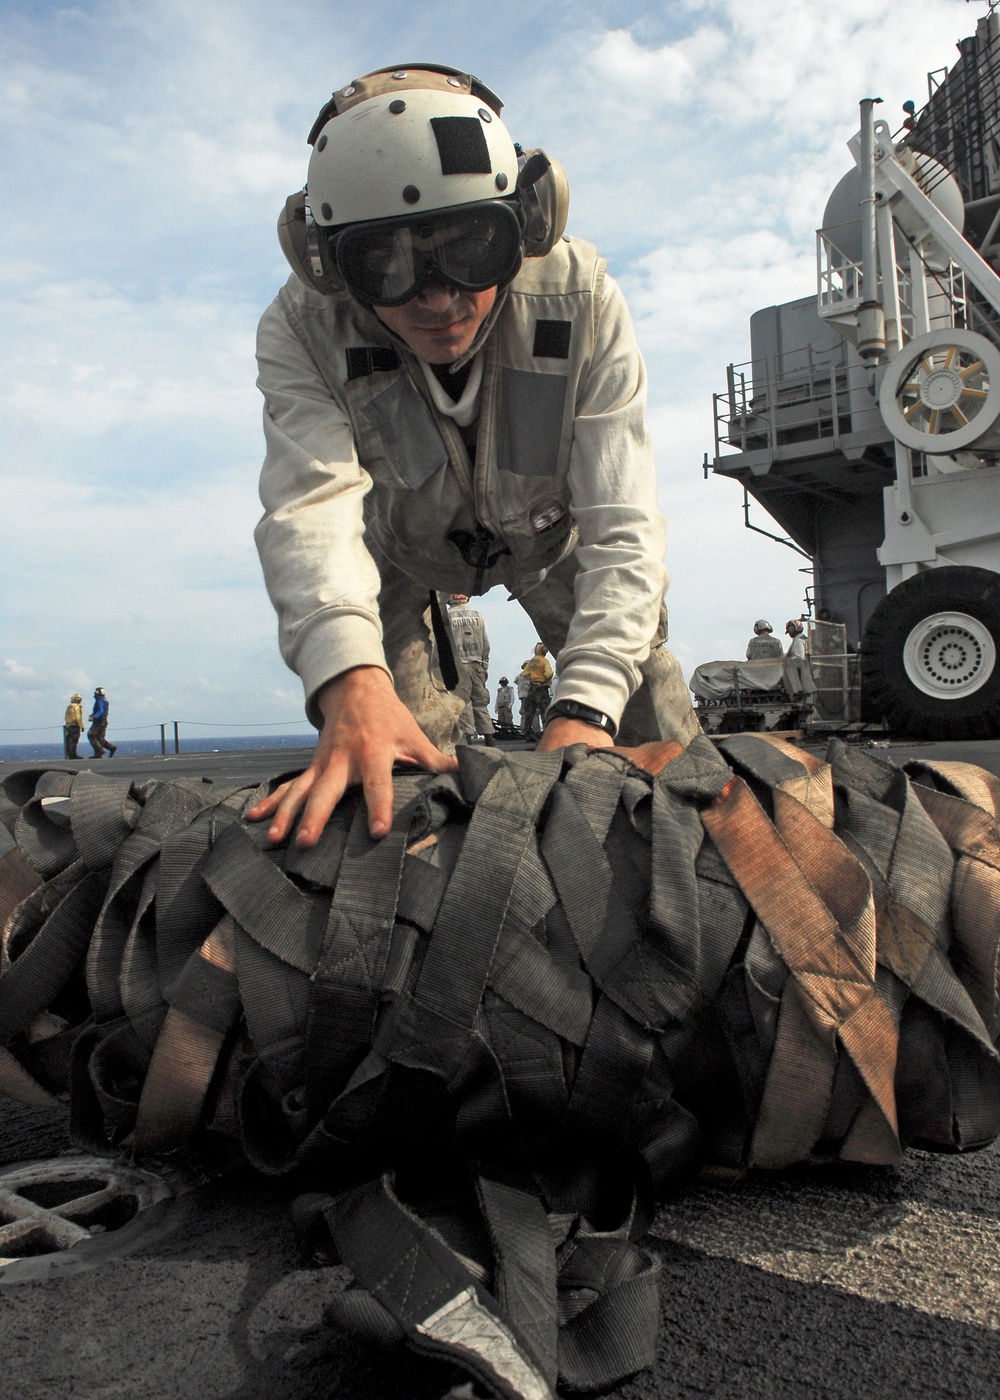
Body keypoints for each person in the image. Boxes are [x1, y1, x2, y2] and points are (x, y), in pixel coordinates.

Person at [247, 63, 699, 850]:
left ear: (523, 225)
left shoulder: (582, 298)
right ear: (331, 268)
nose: (437, 298)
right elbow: (309, 510)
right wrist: (350, 678)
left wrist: (585, 711)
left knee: (664, 763)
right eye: (386, 266)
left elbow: (623, 525)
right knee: (397, 794)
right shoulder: (304, 329)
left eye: (471, 248)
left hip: (559, 546)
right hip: (394, 552)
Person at [447, 594, 496, 746]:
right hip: (476, 664)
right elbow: (486, 643)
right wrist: (484, 666)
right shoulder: (478, 615)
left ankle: (467, 741)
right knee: (480, 703)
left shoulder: (446, 616)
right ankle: (489, 740)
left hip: (457, 665)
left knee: (463, 702)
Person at [519, 643, 554, 739]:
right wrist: (544, 679)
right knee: (545, 710)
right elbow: (549, 673)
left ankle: (527, 733)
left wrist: (533, 677)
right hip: (542, 688)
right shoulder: (544, 661)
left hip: (532, 688)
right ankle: (548, 733)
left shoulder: (532, 661)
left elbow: (525, 673)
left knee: (529, 711)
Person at [87, 687, 117, 758]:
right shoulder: (105, 700)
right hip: (104, 720)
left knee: (91, 734)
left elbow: (101, 711)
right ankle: (111, 748)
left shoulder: (100, 700)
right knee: (100, 737)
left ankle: (99, 751)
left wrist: (94, 717)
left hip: (99, 721)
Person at [63, 693, 84, 759]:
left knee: (69, 741)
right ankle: (73, 755)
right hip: (74, 725)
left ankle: (69, 754)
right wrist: (81, 725)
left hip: (68, 725)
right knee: (74, 741)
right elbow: (78, 717)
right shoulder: (77, 706)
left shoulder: (69, 706)